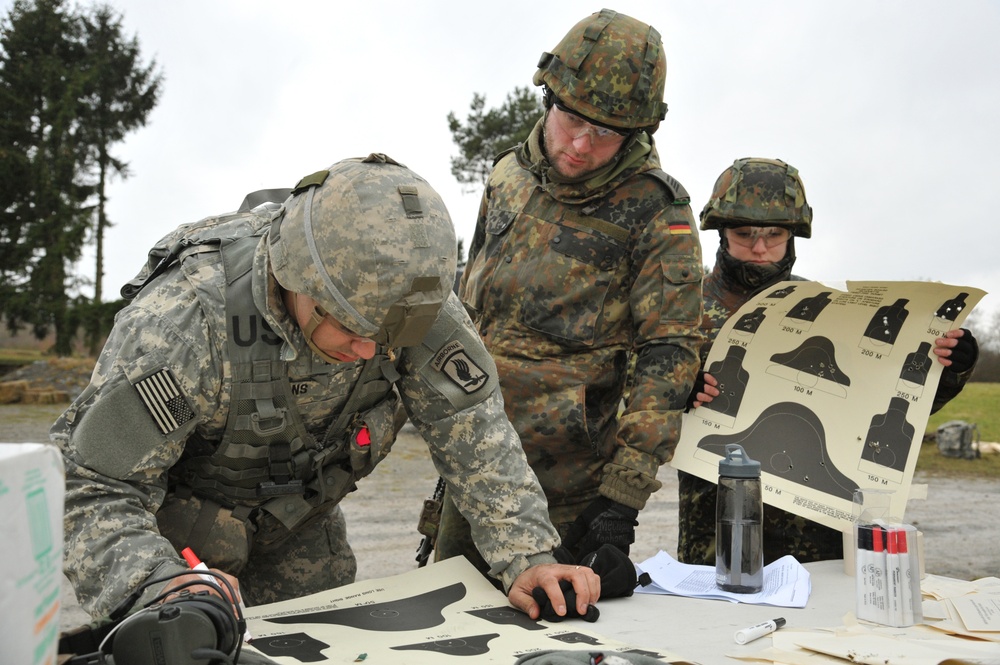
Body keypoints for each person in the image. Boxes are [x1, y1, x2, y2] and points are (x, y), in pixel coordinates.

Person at [52, 153, 600, 624]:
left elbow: (477, 434)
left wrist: (528, 556)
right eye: (353, 329)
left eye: (389, 338)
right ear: (297, 276)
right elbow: (95, 485)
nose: (369, 351)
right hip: (174, 544)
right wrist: (156, 586)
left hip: (299, 530)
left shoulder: (416, 307)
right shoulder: (185, 322)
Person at [435, 9, 705, 576]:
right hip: (476, 456)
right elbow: (465, 307)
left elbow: (670, 355)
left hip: (571, 489)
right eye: (571, 119)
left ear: (638, 132)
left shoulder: (659, 212)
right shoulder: (507, 174)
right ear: (548, 99)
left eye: (607, 132)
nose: (581, 145)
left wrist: (622, 498)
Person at [677, 156, 980, 565]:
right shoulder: (682, 308)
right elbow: (632, 398)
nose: (760, 246)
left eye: (775, 233)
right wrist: (676, 387)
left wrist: (949, 370)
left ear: (794, 236)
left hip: (814, 533)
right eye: (745, 233)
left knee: (816, 627)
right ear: (721, 232)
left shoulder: (831, 310)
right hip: (715, 525)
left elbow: (880, 407)